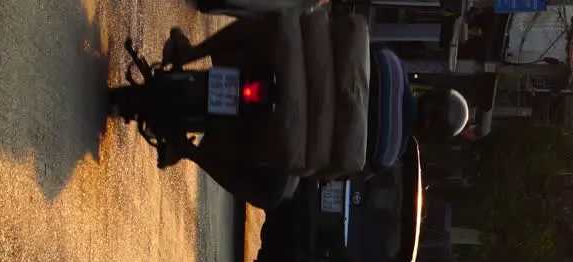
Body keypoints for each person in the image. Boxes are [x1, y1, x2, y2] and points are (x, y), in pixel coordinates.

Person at [158, 22, 470, 208]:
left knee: (267, 25)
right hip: (286, 135)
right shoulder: (387, 156)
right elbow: (336, 173)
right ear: (432, 133)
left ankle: (189, 52)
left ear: (431, 93)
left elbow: (345, 44)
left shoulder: (391, 65)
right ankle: (186, 149)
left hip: (287, 68)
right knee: (270, 194)